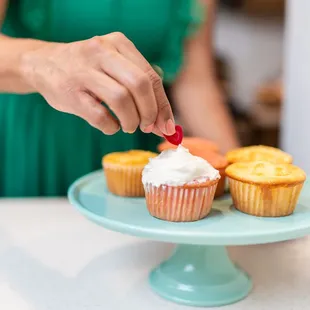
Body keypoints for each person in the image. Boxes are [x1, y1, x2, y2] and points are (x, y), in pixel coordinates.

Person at [0, 0, 239, 197]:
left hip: (135, 148)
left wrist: (242, 173)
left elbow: (195, 84)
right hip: (34, 143)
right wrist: (42, 61)